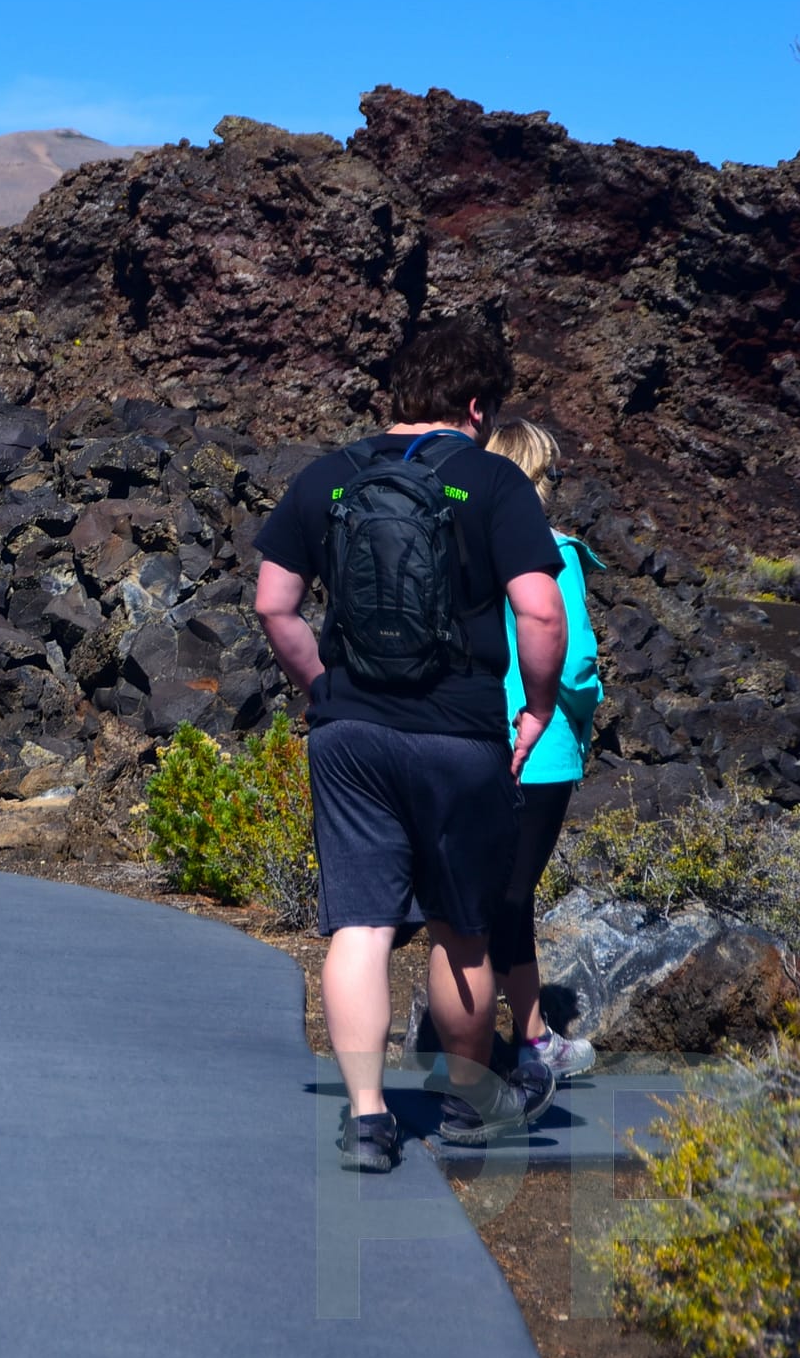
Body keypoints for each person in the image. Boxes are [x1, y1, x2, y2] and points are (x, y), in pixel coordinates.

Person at [251, 321, 568, 1172]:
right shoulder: (493, 482)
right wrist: (533, 712)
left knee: (359, 924)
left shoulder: (327, 476)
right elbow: (540, 611)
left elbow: (273, 604)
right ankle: (465, 1105)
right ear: (475, 404)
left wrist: (323, 688)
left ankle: (365, 1117)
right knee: (457, 930)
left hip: (349, 732)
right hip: (459, 731)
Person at [486, 418, 604, 1078]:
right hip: (542, 744)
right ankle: (531, 1043)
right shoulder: (552, 551)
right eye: (552, 473)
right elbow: (575, 662)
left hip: (472, 735)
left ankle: (524, 1033)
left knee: (496, 893)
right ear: (534, 476)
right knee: (511, 892)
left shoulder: (467, 544)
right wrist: (586, 716)